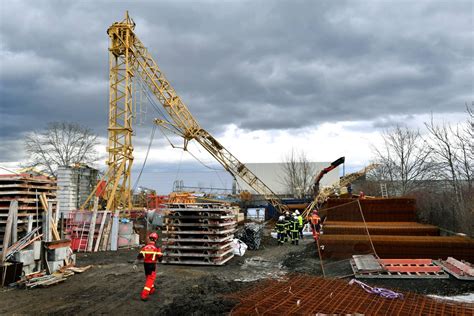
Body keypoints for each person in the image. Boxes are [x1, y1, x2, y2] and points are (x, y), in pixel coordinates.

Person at [133, 232, 163, 301]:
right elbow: (160, 259)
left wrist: (135, 264)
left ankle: (152, 289)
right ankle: (144, 294)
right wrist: (161, 253)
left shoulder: (144, 247)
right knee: (150, 279)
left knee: (148, 277)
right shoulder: (156, 248)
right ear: (155, 239)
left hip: (145, 265)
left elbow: (139, 257)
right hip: (152, 265)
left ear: (150, 239)